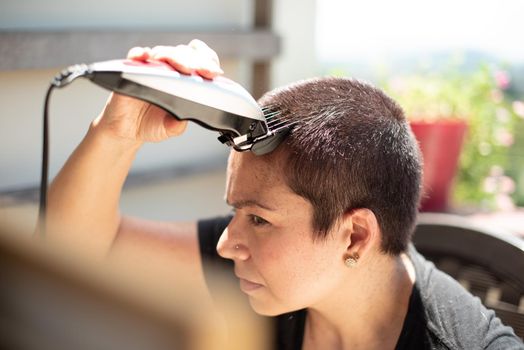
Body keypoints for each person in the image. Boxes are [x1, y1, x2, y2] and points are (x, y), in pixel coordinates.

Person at [46, 40, 524, 349]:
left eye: (257, 219)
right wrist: (117, 131)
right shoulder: (275, 273)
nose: (225, 244)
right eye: (235, 211)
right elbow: (81, 249)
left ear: (354, 236)